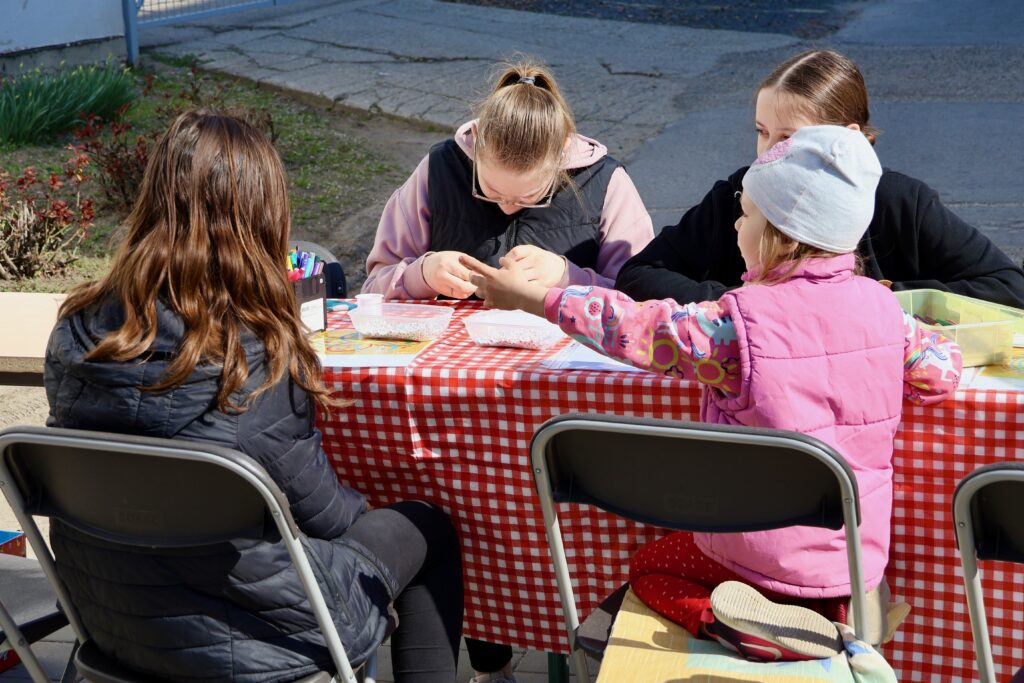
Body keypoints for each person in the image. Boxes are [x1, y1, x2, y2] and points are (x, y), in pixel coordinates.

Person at [461, 125, 962, 662]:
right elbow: (940, 373)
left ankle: (742, 626)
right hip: (855, 563)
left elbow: (632, 326)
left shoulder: (735, 327)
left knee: (648, 566)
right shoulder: (889, 313)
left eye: (745, 213)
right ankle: (833, 617)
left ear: (777, 234)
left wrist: (542, 300)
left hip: (750, 556)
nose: (736, 223)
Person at [43, 110, 464, 683]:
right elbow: (329, 518)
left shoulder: (77, 331)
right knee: (423, 526)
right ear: (261, 220)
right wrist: (377, 516)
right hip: (259, 640)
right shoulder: (255, 358)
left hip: (111, 624)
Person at [615, 48, 1024, 310]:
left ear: (849, 138)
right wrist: (742, 306)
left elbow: (1009, 287)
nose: (768, 151)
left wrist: (883, 298)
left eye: (789, 137)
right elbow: (639, 274)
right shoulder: (738, 194)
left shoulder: (901, 202)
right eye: (761, 131)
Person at [361, 56, 653, 304]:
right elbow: (372, 289)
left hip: (566, 365)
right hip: (456, 363)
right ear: (475, 141)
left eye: (530, 197)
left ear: (563, 151)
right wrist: (421, 275)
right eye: (491, 192)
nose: (508, 208)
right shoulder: (439, 169)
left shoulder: (605, 183)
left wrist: (568, 278)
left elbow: (642, 306)